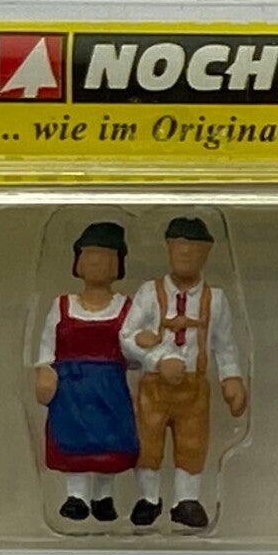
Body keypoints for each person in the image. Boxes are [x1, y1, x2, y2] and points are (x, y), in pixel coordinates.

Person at [120, 216, 248, 529]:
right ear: (169, 248)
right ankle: (149, 498)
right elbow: (126, 337)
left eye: (194, 248)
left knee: (192, 443)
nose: (186, 253)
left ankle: (186, 500)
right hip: (154, 387)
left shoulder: (215, 300)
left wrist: (231, 379)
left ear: (206, 252)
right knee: (148, 442)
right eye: (179, 247)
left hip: (194, 388)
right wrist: (156, 360)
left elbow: (225, 345)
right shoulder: (149, 293)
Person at [33, 222, 139, 523]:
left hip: (110, 387)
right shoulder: (61, 305)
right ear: (77, 262)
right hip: (70, 388)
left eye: (104, 256)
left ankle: (103, 496)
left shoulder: (127, 307)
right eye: (89, 254)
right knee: (73, 438)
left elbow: (135, 349)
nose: (95, 262)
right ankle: (76, 496)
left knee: (109, 439)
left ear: (118, 264)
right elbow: (47, 342)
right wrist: (43, 370)